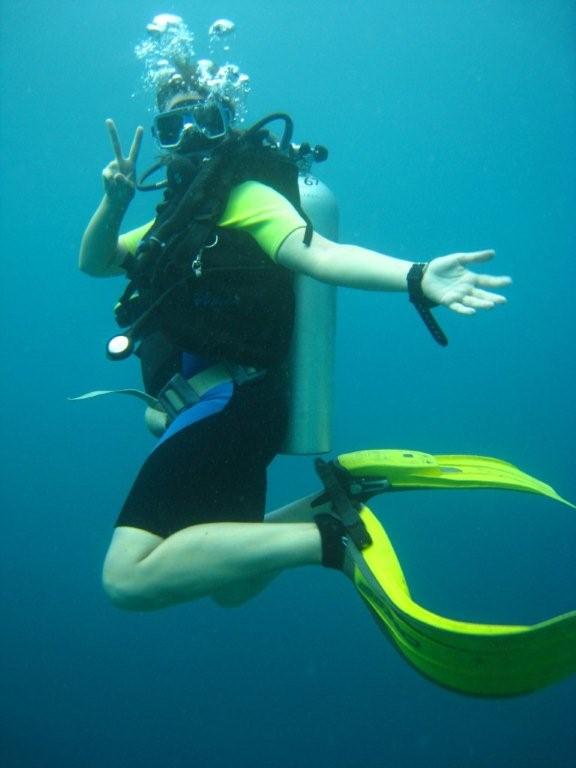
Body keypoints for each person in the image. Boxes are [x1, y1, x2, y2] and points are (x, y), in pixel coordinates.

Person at [79, 27, 511, 614]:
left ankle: (331, 541)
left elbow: (322, 254)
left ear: (227, 125)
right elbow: (96, 262)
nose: (189, 137)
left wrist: (416, 276)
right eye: (172, 127)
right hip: (235, 406)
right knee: (231, 586)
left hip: (231, 404)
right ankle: (331, 505)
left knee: (127, 579)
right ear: (160, 140)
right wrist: (114, 202)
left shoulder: (246, 197)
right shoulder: (173, 223)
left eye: (203, 120)